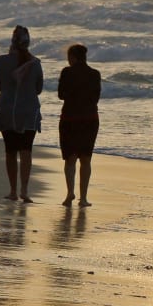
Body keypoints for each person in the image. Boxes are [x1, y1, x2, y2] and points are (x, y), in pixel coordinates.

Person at [0, 25, 43, 203]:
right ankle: (25, 191)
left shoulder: (1, 61)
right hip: (28, 112)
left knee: (10, 151)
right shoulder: (35, 63)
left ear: (12, 41)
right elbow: (39, 89)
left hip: (6, 111)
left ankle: (12, 190)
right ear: (28, 43)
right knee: (26, 150)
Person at [57, 43, 102, 207]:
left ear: (73, 57)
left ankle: (70, 193)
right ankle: (83, 198)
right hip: (90, 119)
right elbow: (96, 98)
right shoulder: (95, 74)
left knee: (70, 158)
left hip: (69, 118)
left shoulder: (67, 72)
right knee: (86, 159)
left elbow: (61, 95)